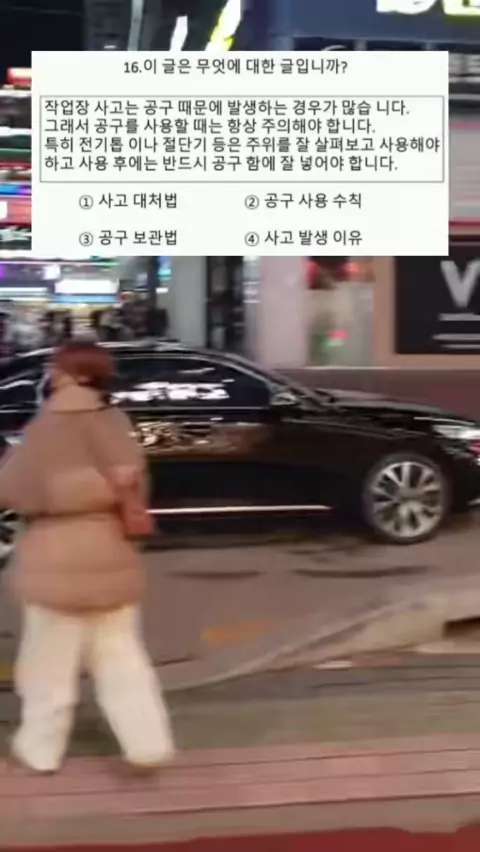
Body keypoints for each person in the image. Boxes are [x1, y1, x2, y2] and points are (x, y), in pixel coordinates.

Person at [0, 341, 174, 774]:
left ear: (69, 375)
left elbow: (13, 491)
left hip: (53, 558)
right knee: (122, 659)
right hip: (110, 550)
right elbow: (137, 487)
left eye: (55, 367)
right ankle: (148, 746)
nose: (50, 374)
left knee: (48, 666)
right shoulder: (114, 420)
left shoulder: (47, 425)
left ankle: (41, 751)